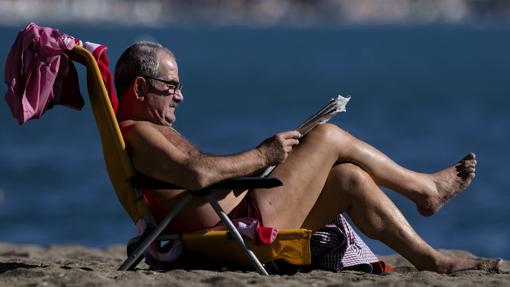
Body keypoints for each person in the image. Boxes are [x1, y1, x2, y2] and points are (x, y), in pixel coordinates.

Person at [114, 41, 501, 273]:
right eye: (171, 86)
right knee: (327, 136)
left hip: (234, 214)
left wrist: (266, 160)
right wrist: (263, 154)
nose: (179, 95)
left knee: (349, 178)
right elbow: (197, 175)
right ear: (140, 87)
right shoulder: (141, 133)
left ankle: (432, 261)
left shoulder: (151, 131)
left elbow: (195, 175)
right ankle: (423, 190)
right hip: (231, 229)